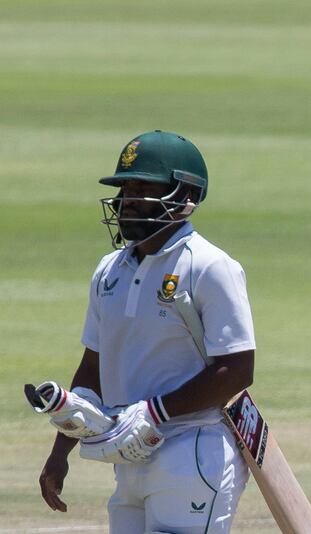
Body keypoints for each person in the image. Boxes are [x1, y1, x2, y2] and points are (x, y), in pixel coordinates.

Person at [37, 130, 256, 533]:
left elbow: (238, 369)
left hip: (192, 450)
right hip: (128, 456)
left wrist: (157, 412)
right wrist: (60, 451)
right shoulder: (109, 270)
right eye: (124, 188)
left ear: (184, 196)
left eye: (144, 188)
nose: (127, 200)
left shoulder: (209, 266)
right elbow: (93, 366)